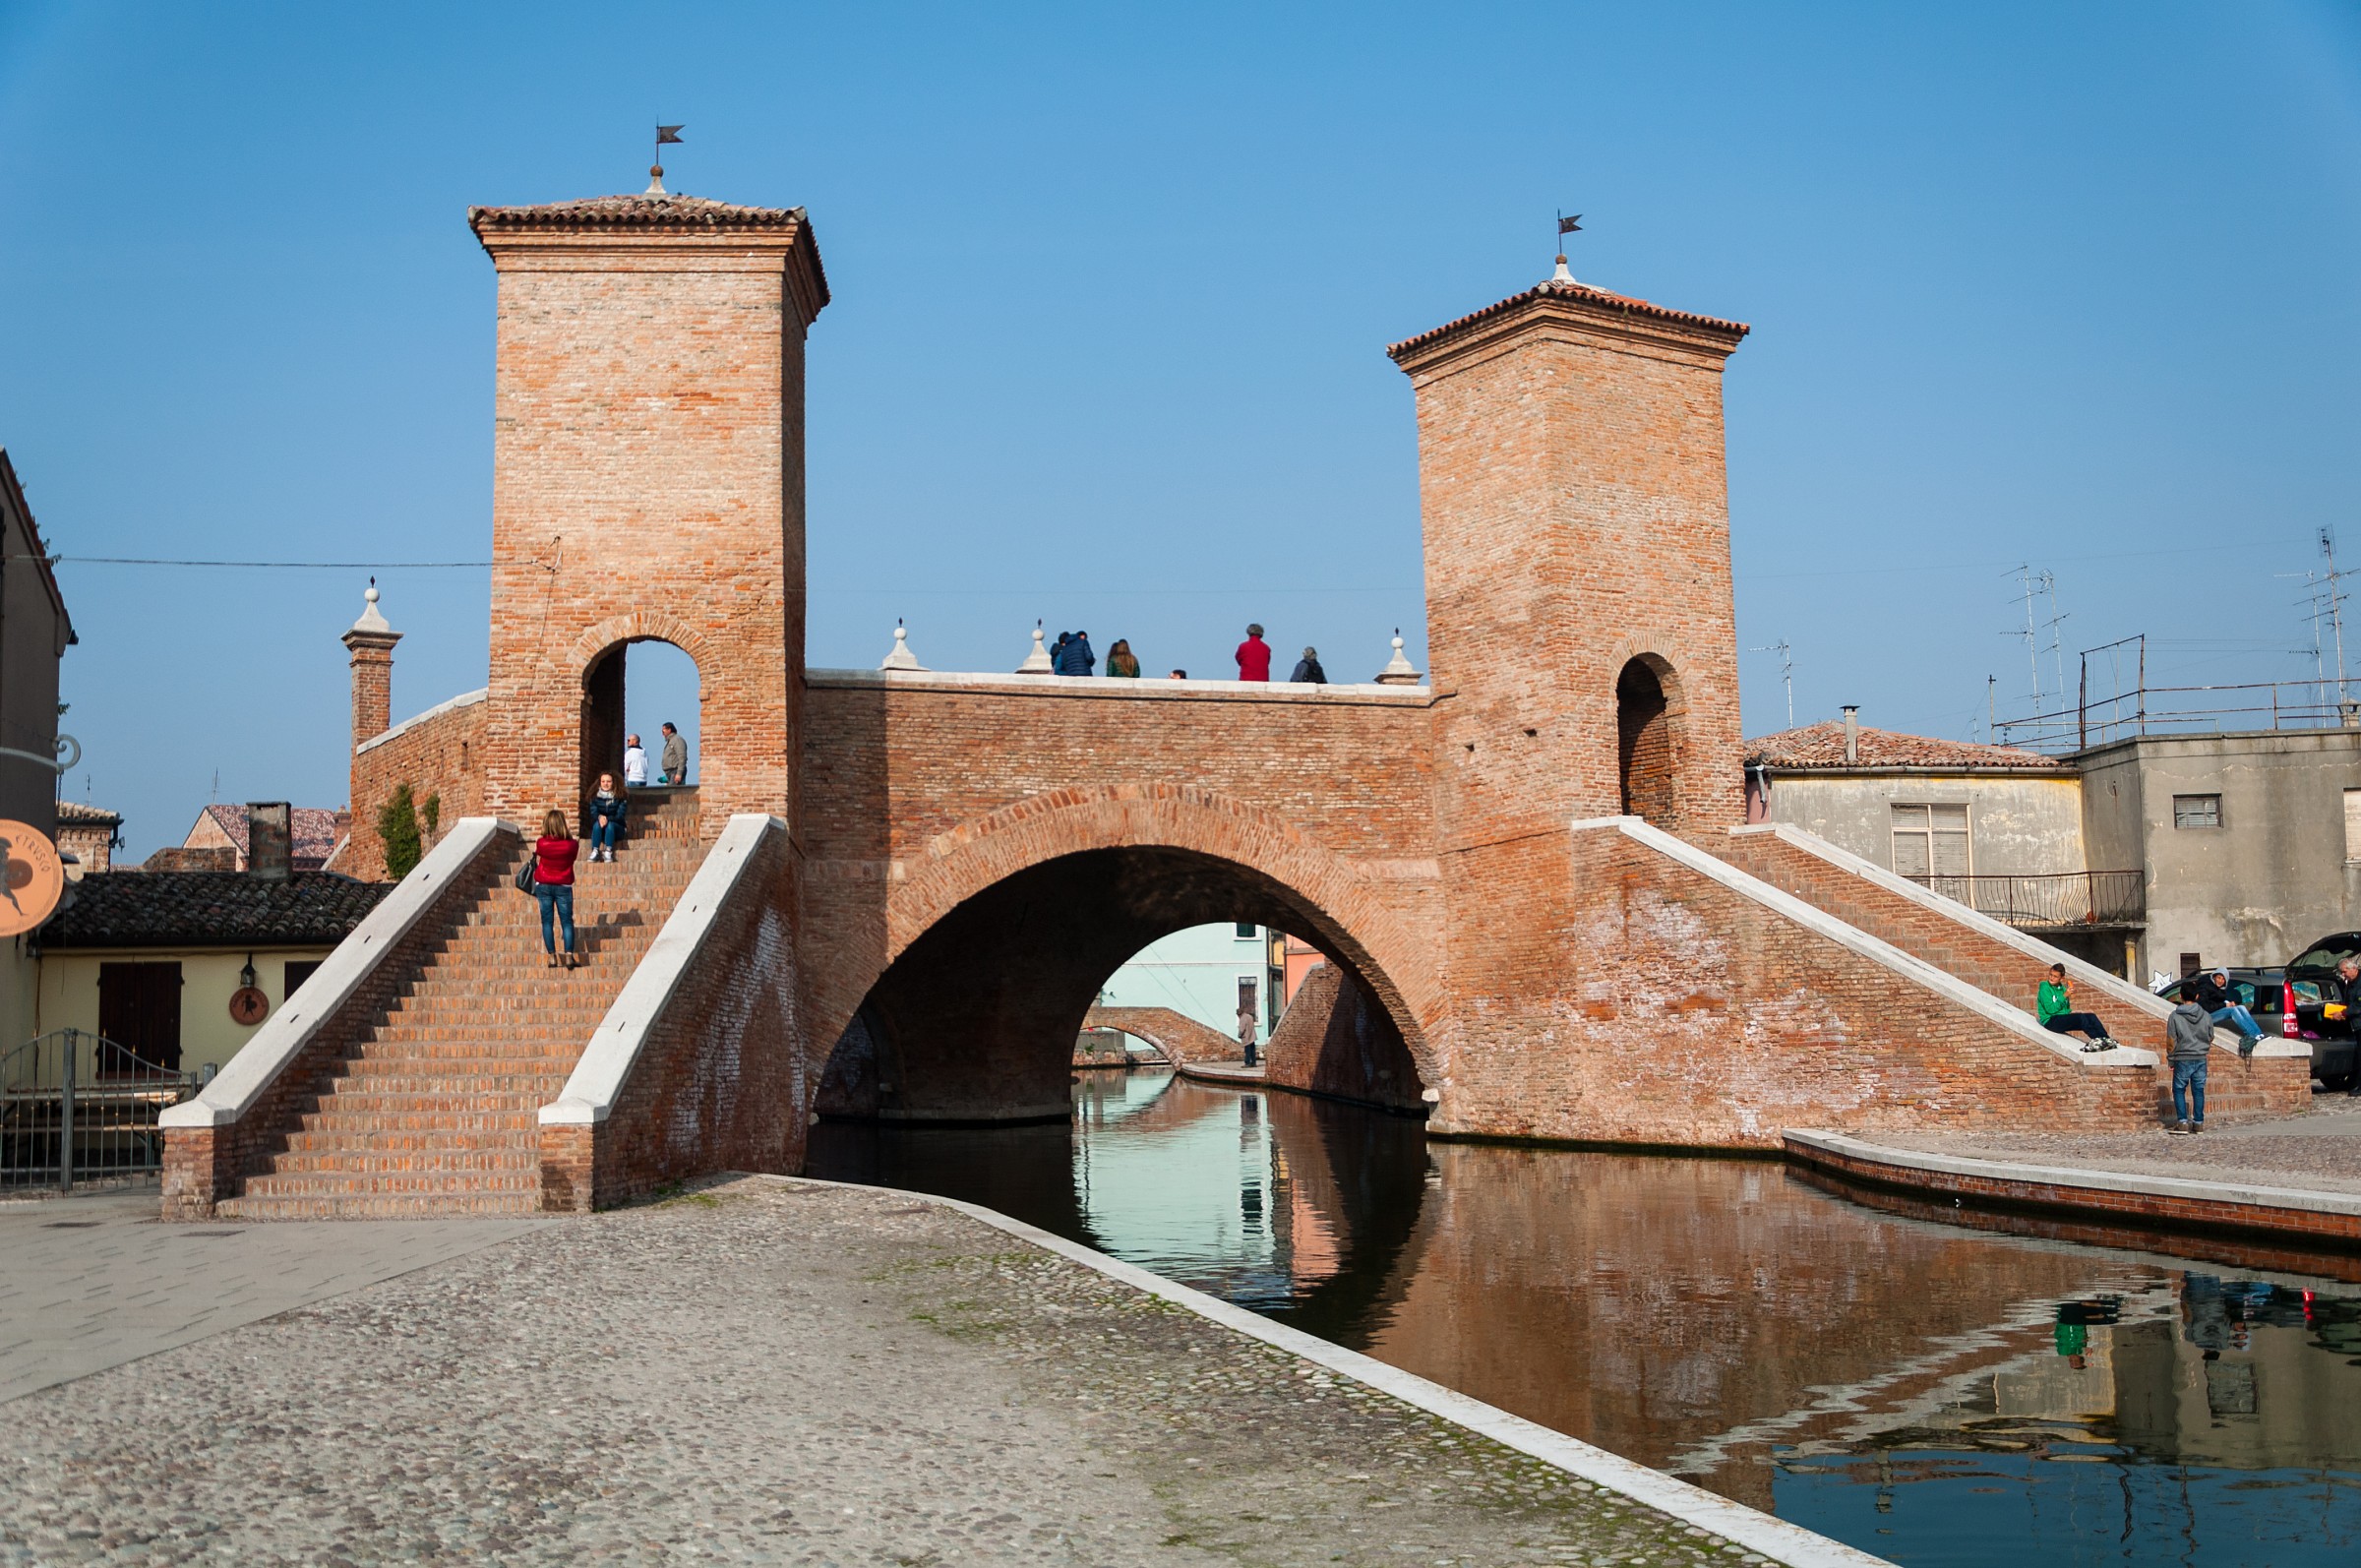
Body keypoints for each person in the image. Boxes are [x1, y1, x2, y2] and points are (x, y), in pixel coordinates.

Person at [532, 809, 579, 970]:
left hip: (544, 884)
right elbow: (573, 855)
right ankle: (568, 956)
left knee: (547, 921)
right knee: (566, 921)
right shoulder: (571, 845)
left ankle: (552, 956)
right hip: (563, 885)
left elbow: (539, 853)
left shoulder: (541, 843)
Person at [2034, 962, 2116, 1052]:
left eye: (2055, 976)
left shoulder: (2063, 989)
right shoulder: (2045, 987)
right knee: (2080, 1018)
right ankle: (2097, 1040)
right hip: (2050, 1021)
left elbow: (2066, 1009)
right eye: (2050, 975)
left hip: (2060, 1018)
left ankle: (2106, 1039)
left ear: (2062, 978)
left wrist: (2068, 996)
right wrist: (2064, 996)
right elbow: (2050, 1009)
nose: (2051, 978)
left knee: (2091, 1016)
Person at [2165, 990, 2213, 1133]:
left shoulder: (2174, 1016)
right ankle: (2198, 1123)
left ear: (2180, 996)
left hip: (2182, 1057)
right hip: (2200, 1057)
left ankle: (2182, 1122)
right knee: (2198, 1090)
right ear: (2197, 995)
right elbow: (2211, 1035)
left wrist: (2171, 1059)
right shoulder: (2206, 1015)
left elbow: (2171, 1040)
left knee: (2179, 1089)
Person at [2193, 969, 2264, 1056]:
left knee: (2241, 1007)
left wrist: (2227, 1003)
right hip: (2204, 1017)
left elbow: (2215, 1002)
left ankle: (2258, 1033)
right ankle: (2250, 1034)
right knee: (2232, 1010)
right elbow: (2205, 1006)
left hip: (2211, 1013)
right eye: (2219, 978)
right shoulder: (2205, 987)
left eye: (2223, 979)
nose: (2220, 981)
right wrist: (2225, 1005)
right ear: (2214, 977)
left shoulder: (2217, 988)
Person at [586, 772, 630, 863]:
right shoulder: (594, 797)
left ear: (613, 783)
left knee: (610, 825)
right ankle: (595, 851)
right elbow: (593, 813)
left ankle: (608, 851)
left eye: (608, 781)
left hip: (617, 828)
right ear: (600, 783)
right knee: (596, 825)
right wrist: (600, 817)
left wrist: (606, 819)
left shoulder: (620, 797)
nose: (605, 784)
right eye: (603, 781)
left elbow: (619, 815)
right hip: (601, 828)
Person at [2333, 957, 2361, 1098]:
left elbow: (2358, 1005)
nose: (2343, 975)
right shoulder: (2350, 983)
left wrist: (2343, 1012)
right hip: (2355, 1025)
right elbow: (2349, 1001)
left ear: (2353, 969)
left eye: (2344, 972)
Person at [659, 722, 687, 786]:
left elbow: (682, 757)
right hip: (670, 772)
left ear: (669, 730)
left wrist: (679, 773)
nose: (662, 731)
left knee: (672, 793)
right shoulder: (670, 741)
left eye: (664, 729)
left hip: (675, 771)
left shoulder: (677, 740)